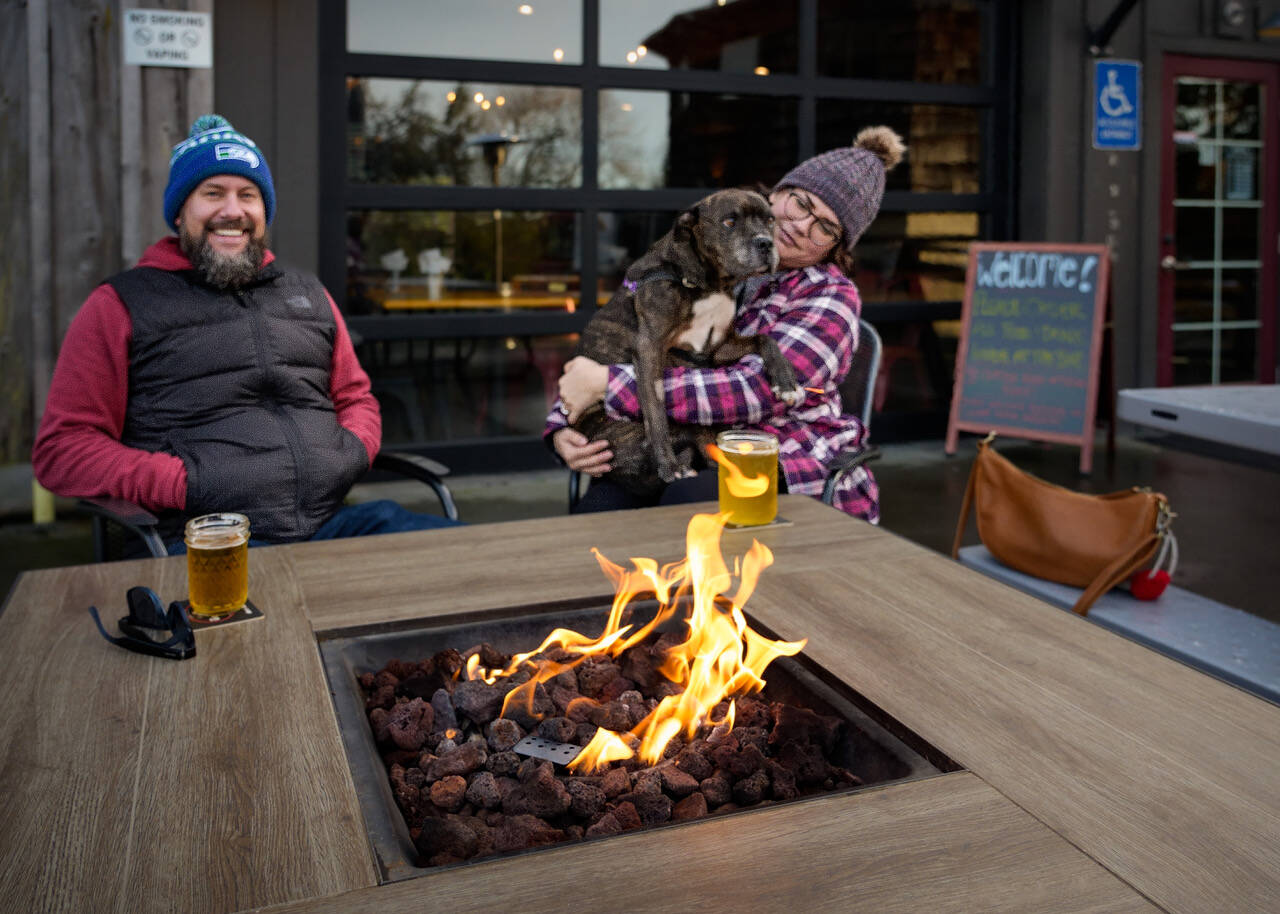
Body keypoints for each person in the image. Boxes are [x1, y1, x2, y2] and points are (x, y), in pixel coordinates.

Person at [33, 114, 459, 552]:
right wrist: (182, 482)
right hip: (205, 543)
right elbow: (62, 451)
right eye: (212, 193)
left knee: (474, 561)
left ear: (263, 210)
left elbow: (355, 397)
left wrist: (351, 451)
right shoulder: (120, 305)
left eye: (248, 195)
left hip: (333, 527)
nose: (232, 211)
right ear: (180, 212)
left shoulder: (308, 294)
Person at [545, 126, 906, 523]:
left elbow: (754, 391)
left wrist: (608, 385)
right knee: (601, 511)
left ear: (837, 248)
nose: (803, 225)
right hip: (692, 438)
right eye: (801, 203)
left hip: (784, 453)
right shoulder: (713, 263)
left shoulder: (830, 299)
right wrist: (566, 426)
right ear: (776, 196)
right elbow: (620, 339)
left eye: (825, 227)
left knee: (684, 503)